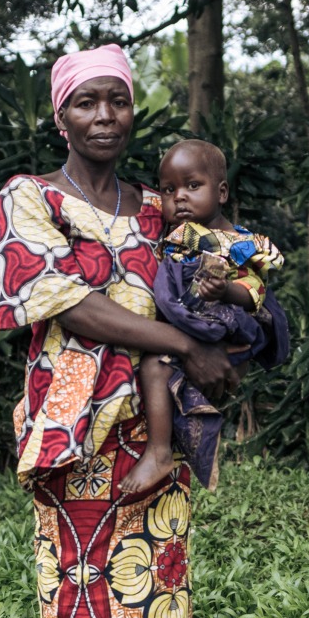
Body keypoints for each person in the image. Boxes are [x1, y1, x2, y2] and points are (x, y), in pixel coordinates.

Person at [0, 44, 234, 618]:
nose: (102, 116)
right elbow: (65, 304)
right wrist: (179, 340)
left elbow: (215, 268)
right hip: (72, 439)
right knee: (77, 617)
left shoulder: (159, 205)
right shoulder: (28, 199)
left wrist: (231, 327)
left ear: (133, 111)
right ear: (58, 114)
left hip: (155, 431)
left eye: (117, 102)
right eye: (85, 103)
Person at [119, 139, 290, 495]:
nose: (179, 197)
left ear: (222, 192)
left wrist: (226, 291)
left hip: (231, 335)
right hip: (192, 333)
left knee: (154, 365)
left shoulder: (237, 242)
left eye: (192, 186)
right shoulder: (177, 238)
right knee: (156, 368)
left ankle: (158, 451)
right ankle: (170, 445)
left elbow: (256, 292)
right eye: (168, 190)